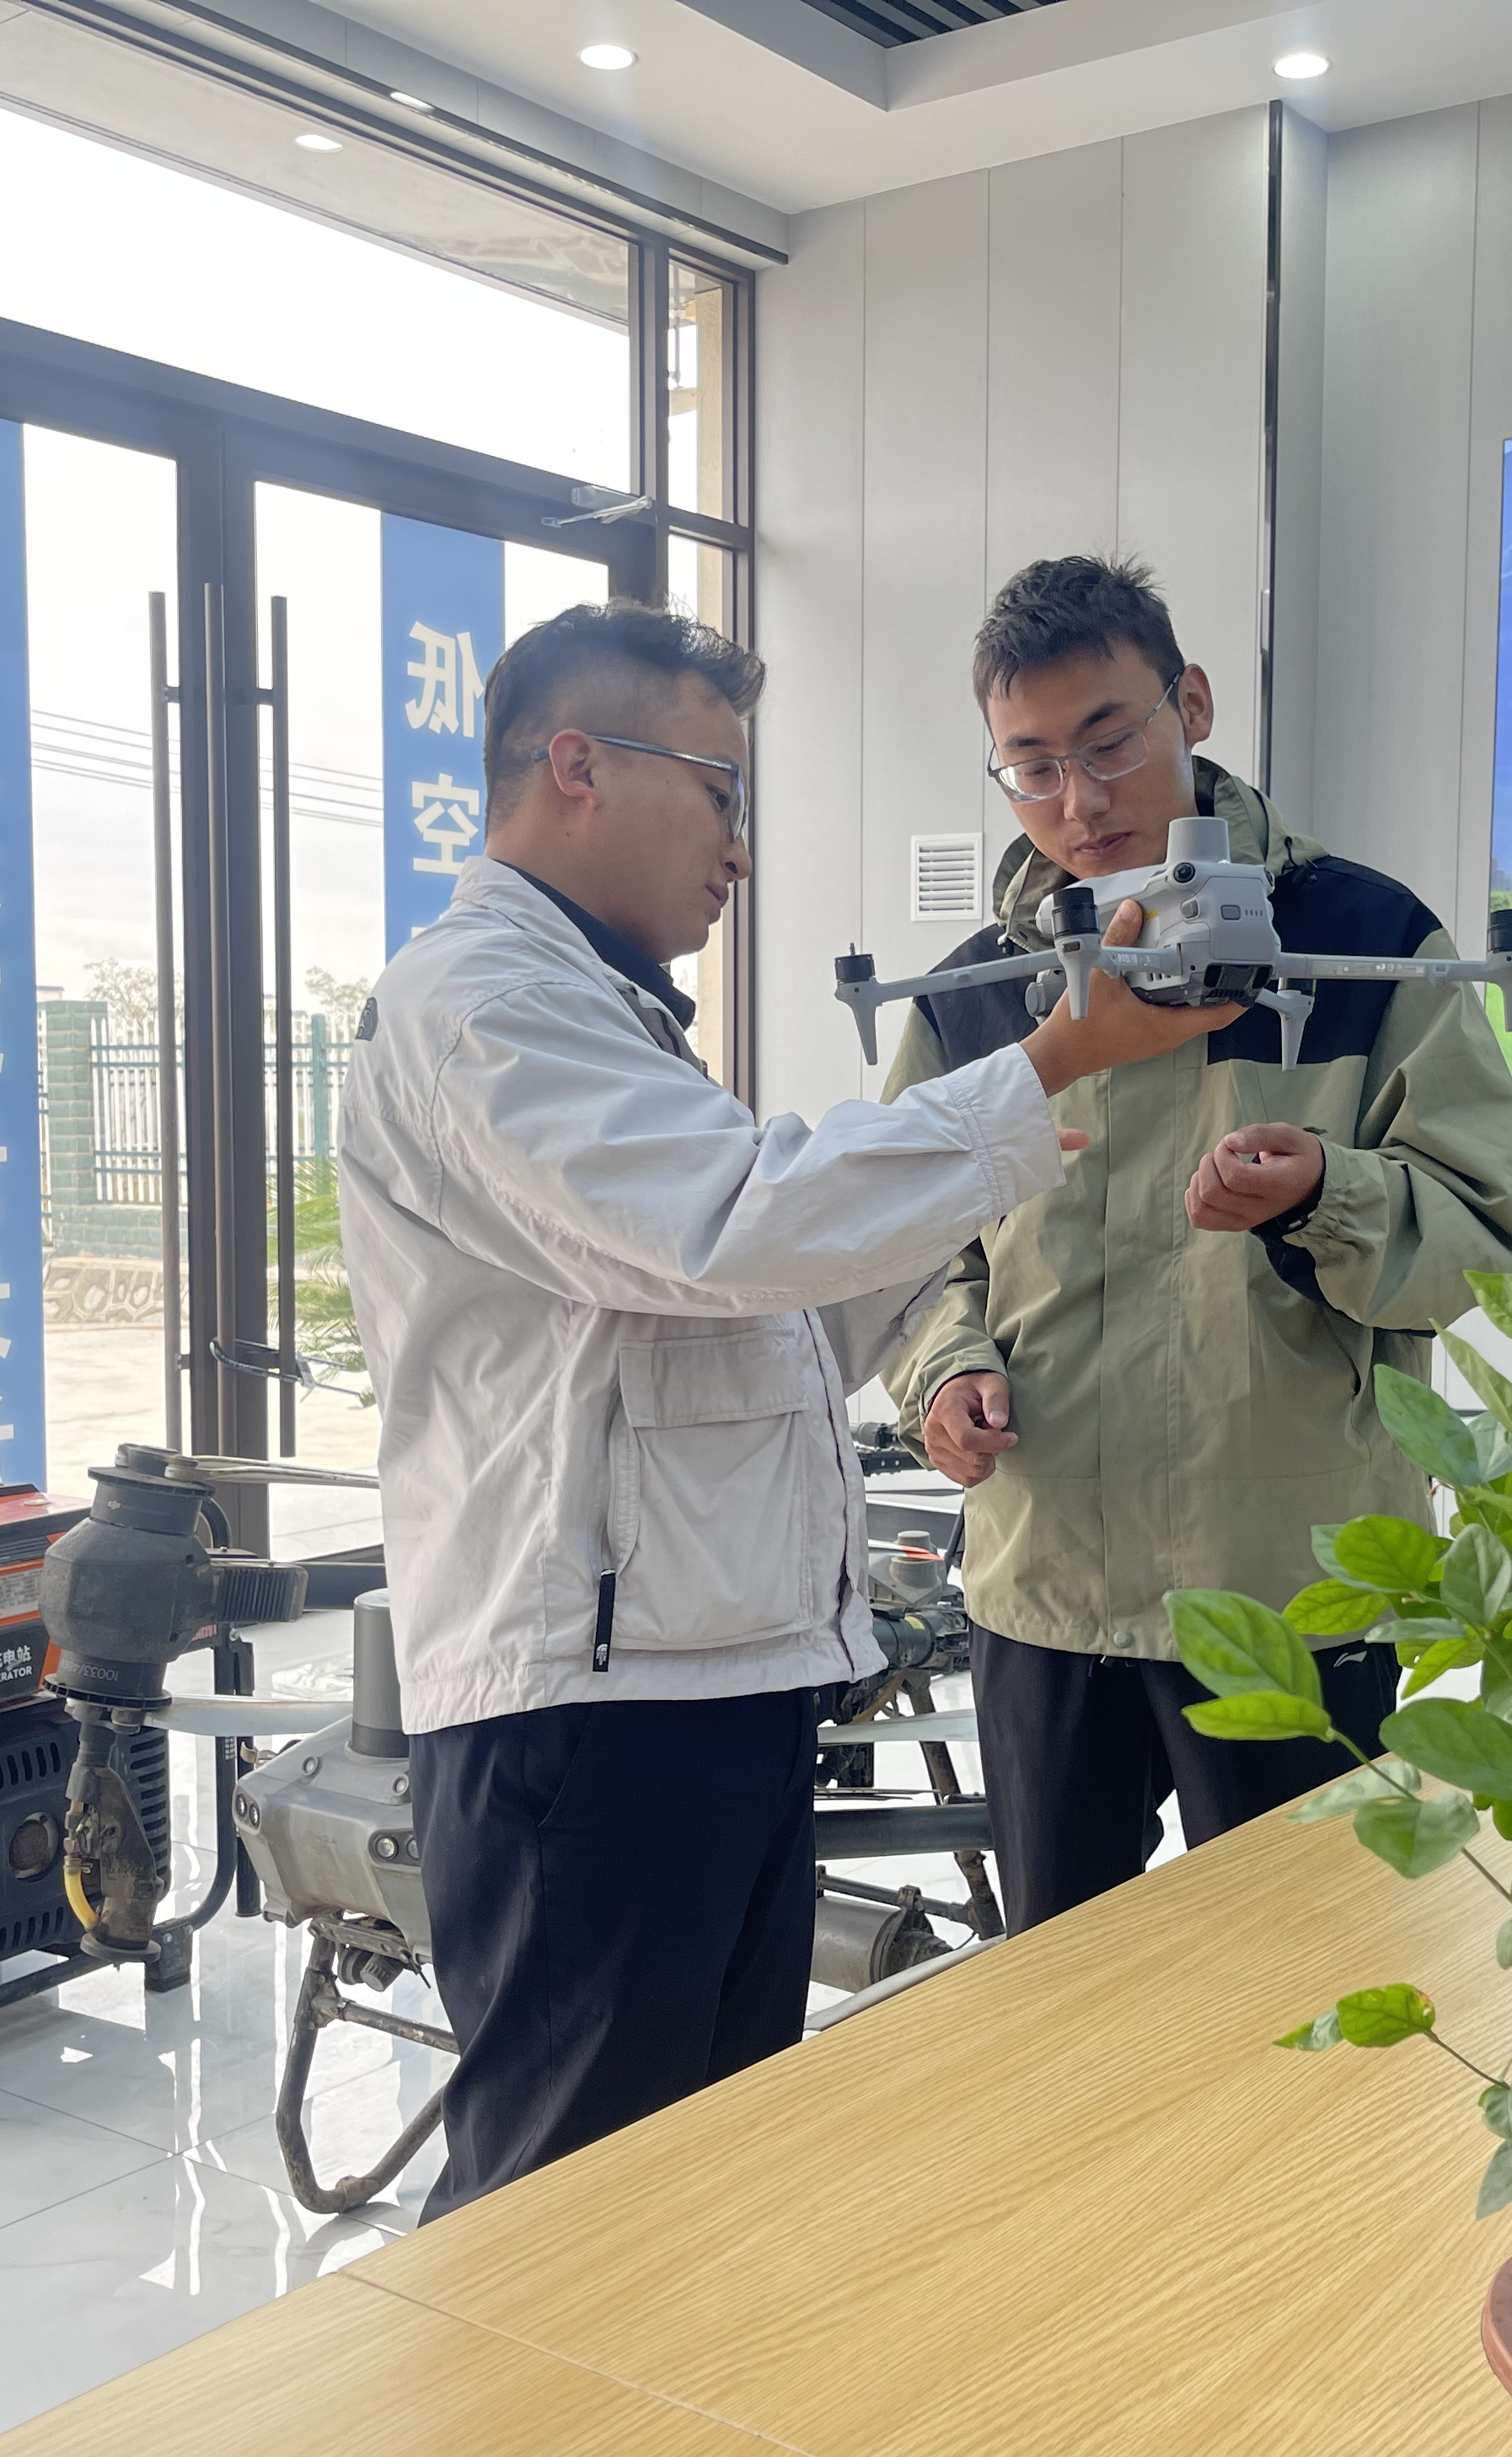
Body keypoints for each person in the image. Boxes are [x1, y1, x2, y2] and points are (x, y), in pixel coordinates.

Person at [336, 600, 1232, 2217]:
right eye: (719, 793)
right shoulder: (483, 1005)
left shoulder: (597, 1009)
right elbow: (732, 1223)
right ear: (577, 766)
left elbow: (756, 1321)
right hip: (586, 1711)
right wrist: (1043, 1069)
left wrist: (963, 1226)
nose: (739, 850)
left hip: (702, 1676)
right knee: (569, 2214)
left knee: (700, 2186)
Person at [879, 555, 1512, 1930]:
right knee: (1062, 1996)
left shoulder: (1366, 942)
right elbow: (903, 1248)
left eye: (1109, 742)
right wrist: (945, 1369)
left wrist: (1324, 1194)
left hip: (1293, 1584)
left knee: (1307, 1991)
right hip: (1046, 1589)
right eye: (1032, 767)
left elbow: (1484, 1233)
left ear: (1191, 703)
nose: (1080, 800)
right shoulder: (974, 998)